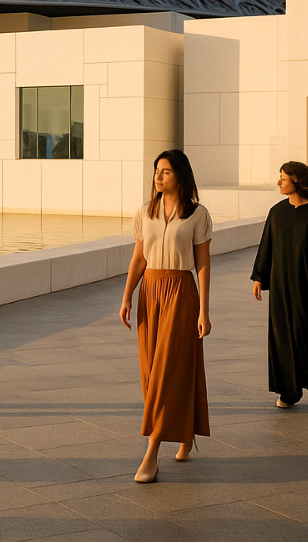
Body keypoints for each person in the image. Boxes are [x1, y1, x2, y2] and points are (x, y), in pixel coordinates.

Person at [118, 149, 212, 484]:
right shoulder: (145, 212)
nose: (159, 176)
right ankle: (185, 433)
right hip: (150, 292)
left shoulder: (197, 214)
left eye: (166, 171)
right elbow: (138, 260)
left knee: (167, 369)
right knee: (150, 370)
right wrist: (127, 295)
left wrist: (204, 309)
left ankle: (152, 450)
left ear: (181, 176)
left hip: (181, 292)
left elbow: (202, 264)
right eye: (157, 171)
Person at [251, 161, 308, 408]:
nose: (279, 182)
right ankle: (288, 391)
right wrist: (259, 276)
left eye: (283, 178)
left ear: (297, 180)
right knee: (281, 337)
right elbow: (267, 246)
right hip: (281, 287)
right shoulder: (276, 212)